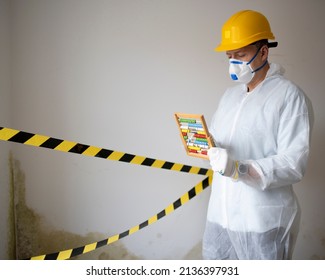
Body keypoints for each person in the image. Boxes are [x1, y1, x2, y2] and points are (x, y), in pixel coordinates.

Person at [202, 10, 312, 260]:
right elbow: (224, 146)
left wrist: (239, 169)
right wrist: (207, 146)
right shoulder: (230, 96)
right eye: (230, 55)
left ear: (263, 51)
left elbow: (294, 163)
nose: (233, 62)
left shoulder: (288, 96)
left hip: (262, 221)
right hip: (221, 214)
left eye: (240, 54)